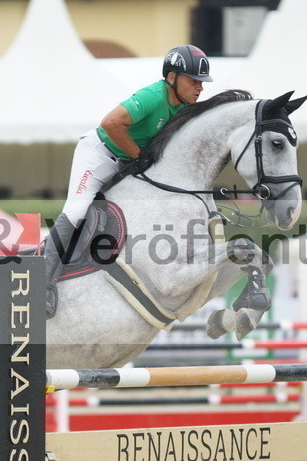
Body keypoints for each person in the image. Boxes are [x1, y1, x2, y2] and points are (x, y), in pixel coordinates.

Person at [43, 44, 213, 317]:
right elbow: (111, 123)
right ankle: (43, 284)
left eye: (201, 82)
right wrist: (138, 155)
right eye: (193, 80)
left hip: (126, 165)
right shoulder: (152, 97)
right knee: (76, 212)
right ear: (172, 78)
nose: (200, 87)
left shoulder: (183, 109)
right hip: (98, 156)